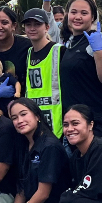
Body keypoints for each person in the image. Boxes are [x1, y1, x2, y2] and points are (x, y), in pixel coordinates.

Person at [60, 0, 102, 149]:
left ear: (93, 17)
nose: (77, 17)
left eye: (84, 13)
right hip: (76, 125)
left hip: (99, 125)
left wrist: (98, 50)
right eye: (73, 12)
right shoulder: (71, 44)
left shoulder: (99, 41)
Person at [22, 8, 64, 138]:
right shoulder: (28, 54)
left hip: (59, 126)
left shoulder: (59, 51)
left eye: (37, 24)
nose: (32, 28)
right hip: (35, 123)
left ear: (47, 27)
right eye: (29, 25)